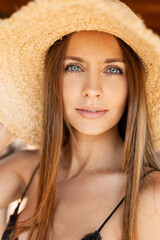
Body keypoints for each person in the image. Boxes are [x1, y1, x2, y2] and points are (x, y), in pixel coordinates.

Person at [0, 0, 160, 240]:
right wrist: (6, 128)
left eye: (114, 70)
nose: (92, 90)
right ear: (54, 80)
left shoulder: (151, 195)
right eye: (74, 68)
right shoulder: (27, 169)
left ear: (132, 86)